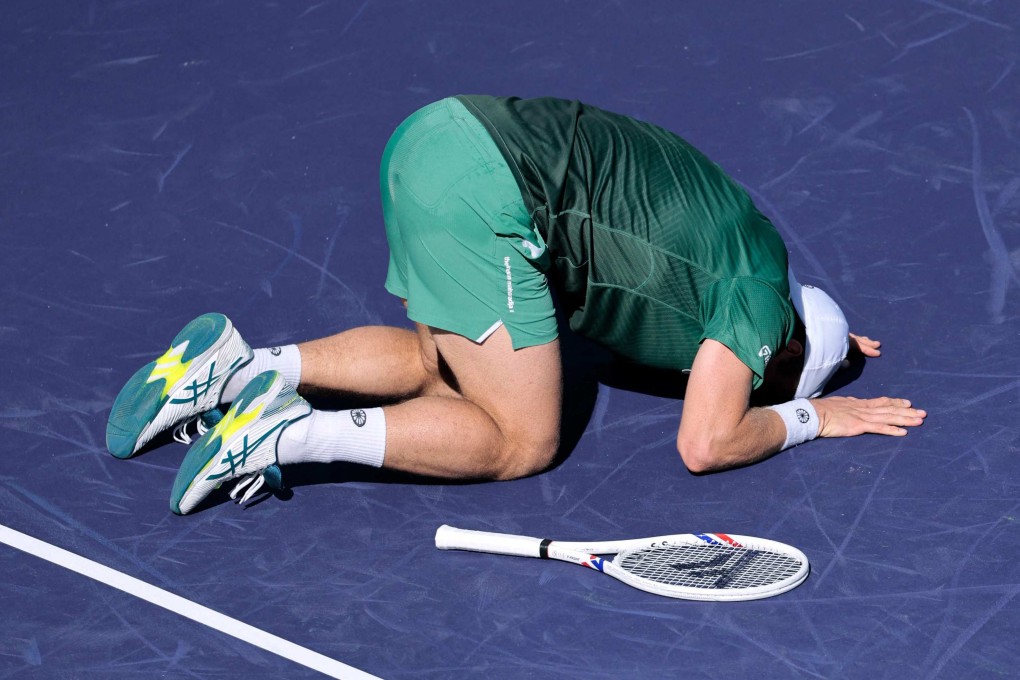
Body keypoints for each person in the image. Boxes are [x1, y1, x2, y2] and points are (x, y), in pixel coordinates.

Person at [105, 96, 926, 515]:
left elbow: (737, 297)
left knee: (440, 362)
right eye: (769, 381)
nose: (749, 386)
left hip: (437, 138)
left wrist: (819, 342)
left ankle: (239, 368)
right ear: (778, 347)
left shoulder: (750, 263)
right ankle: (286, 430)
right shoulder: (754, 306)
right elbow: (706, 443)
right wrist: (816, 416)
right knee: (520, 440)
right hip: (489, 199)